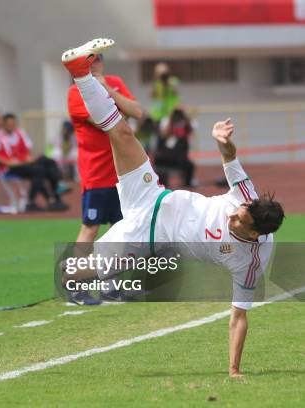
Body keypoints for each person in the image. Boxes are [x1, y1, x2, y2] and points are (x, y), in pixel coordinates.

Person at [61, 37, 285, 378]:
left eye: (240, 218)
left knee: (75, 274)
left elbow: (239, 316)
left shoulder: (251, 263)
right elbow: (230, 159)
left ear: (254, 232)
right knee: (121, 133)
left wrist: (234, 369)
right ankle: (80, 73)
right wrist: (223, 141)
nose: (233, 212)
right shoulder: (246, 197)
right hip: (155, 197)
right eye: (239, 208)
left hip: (147, 236)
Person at [67, 52, 142, 242]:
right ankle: (74, 271)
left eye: (97, 59)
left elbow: (137, 111)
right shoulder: (76, 92)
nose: (93, 64)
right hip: (97, 174)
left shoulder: (114, 81)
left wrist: (108, 88)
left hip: (122, 173)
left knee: (124, 227)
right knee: (90, 227)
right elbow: (108, 123)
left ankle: (118, 271)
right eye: (88, 61)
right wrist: (123, 110)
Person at [154, 108, 196, 187]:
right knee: (160, 169)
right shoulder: (165, 133)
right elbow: (163, 133)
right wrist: (171, 118)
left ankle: (188, 183)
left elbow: (190, 128)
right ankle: (162, 185)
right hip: (164, 160)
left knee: (190, 165)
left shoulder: (182, 134)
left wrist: (183, 116)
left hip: (178, 160)